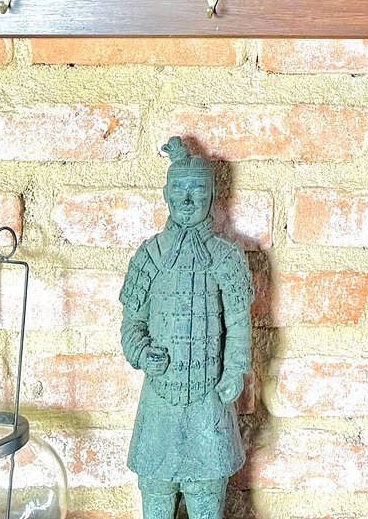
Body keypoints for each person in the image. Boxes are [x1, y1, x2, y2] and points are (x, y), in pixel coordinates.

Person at [119, 137, 251, 518]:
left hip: (208, 401)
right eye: (179, 190)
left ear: (213, 196)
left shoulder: (226, 257)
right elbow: (132, 323)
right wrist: (142, 353)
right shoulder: (150, 256)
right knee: (156, 495)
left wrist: (234, 370)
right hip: (159, 404)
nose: (188, 200)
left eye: (198, 191)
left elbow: (239, 322)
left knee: (206, 496)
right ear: (166, 194)